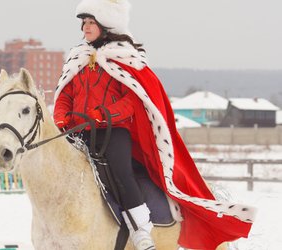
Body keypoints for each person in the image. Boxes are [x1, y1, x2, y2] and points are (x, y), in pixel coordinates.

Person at [53, 0, 255, 249]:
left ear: (106, 25)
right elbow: (65, 94)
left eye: (91, 22)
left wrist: (103, 114)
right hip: (79, 132)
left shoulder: (126, 58)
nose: (85, 27)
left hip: (113, 132)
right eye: (83, 22)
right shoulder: (78, 58)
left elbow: (133, 101)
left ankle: (141, 231)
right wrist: (60, 115)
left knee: (121, 171)